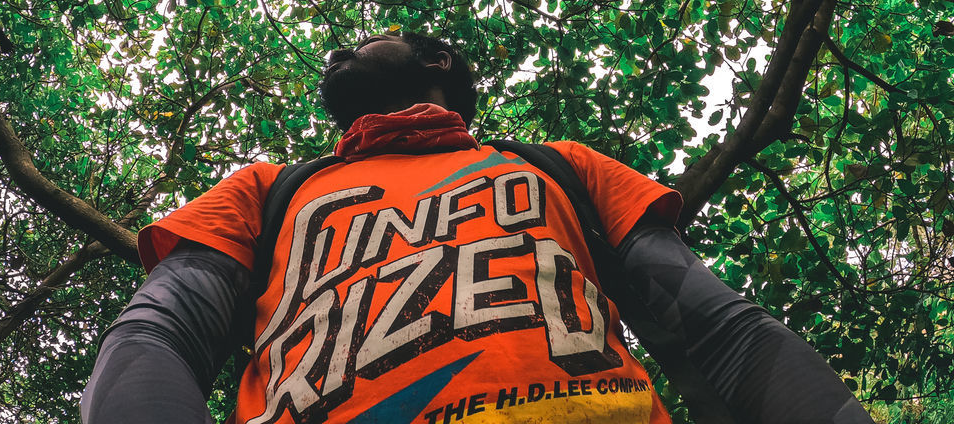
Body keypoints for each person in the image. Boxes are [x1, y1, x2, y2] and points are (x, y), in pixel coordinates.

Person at [80, 31, 872, 424]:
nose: (341, 49)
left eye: (368, 37)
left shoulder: (562, 166)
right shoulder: (268, 192)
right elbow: (158, 335)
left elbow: (722, 333)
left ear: (438, 61)